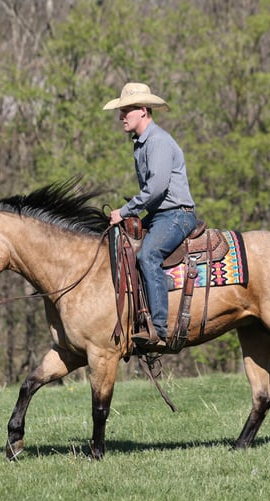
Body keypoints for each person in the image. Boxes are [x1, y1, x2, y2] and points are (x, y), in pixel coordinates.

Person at [104, 82, 197, 347]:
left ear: (143, 111)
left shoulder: (157, 141)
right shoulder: (142, 143)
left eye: (126, 111)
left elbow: (156, 188)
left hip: (176, 215)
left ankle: (158, 328)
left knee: (148, 254)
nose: (121, 117)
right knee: (121, 246)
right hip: (160, 215)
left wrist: (125, 211)